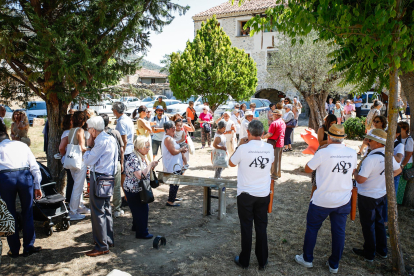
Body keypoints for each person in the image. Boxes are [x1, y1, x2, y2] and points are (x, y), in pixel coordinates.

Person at [295, 124, 356, 273]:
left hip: (322, 199)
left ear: (329, 137)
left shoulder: (324, 152)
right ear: (342, 139)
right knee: (339, 232)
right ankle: (334, 264)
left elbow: (308, 168)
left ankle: (307, 258)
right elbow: (352, 170)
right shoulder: (352, 152)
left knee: (312, 228)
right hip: (343, 199)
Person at [229, 120, 274, 270]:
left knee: (246, 227)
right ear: (262, 133)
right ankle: (262, 260)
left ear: (248, 132)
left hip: (246, 193)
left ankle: (245, 260)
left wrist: (240, 145)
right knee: (261, 227)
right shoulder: (269, 148)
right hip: (262, 193)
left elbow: (231, 163)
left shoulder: (243, 148)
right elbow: (271, 164)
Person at [352, 129, 402, 262]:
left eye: (370, 140)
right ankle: (382, 250)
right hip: (381, 194)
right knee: (379, 222)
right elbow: (398, 170)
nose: (367, 142)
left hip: (367, 195)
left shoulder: (372, 158)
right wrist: (384, 178)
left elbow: (361, 179)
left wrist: (355, 172)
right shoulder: (388, 156)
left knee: (368, 224)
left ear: (379, 143)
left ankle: (369, 253)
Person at [0, 123, 42, 258]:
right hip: (24, 176)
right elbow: (34, 166)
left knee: (9, 213)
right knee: (27, 211)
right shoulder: (21, 145)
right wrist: (37, 185)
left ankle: (14, 248)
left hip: (6, 178)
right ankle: (28, 246)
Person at [83, 116, 118, 257]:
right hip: (109, 176)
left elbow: (88, 160)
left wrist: (88, 147)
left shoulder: (100, 142)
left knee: (97, 211)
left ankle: (101, 245)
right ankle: (108, 240)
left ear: (92, 130)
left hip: (99, 177)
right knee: (106, 208)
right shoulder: (110, 138)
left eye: (88, 129)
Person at [124, 136, 159, 239]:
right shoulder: (134, 158)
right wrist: (150, 165)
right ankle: (142, 233)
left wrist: (151, 166)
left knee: (137, 210)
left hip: (135, 189)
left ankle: (136, 227)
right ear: (139, 147)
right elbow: (140, 175)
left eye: (149, 146)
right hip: (134, 190)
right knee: (142, 211)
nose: (149, 148)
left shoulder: (139, 155)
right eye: (146, 146)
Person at [100, 114, 125, 218]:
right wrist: (122, 163)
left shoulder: (99, 135)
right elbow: (122, 149)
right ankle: (117, 209)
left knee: (103, 186)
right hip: (116, 163)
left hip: (103, 165)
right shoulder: (115, 133)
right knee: (116, 187)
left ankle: (104, 208)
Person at [67, 111, 90, 221]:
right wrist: (90, 148)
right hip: (79, 161)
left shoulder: (71, 130)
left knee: (77, 187)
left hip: (72, 161)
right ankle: (73, 211)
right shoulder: (80, 130)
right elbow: (82, 147)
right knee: (77, 188)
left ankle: (79, 207)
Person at [162, 121, 188, 207]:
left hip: (175, 165)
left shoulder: (170, 138)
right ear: (167, 129)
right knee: (174, 183)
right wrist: (181, 149)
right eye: (172, 127)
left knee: (175, 183)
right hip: (172, 165)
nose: (174, 129)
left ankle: (173, 197)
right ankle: (170, 201)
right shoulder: (168, 139)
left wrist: (181, 150)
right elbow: (173, 152)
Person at [382, 125, 404, 226]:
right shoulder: (384, 143)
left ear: (397, 134)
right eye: (387, 131)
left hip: (394, 174)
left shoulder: (399, 145)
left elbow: (399, 159)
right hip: (383, 173)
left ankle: (386, 223)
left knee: (389, 200)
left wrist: (387, 152)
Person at [113, 102, 135, 192]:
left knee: (123, 174)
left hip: (125, 151)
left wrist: (122, 154)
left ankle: (126, 197)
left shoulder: (121, 121)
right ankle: (127, 196)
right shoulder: (127, 118)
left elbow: (124, 139)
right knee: (127, 174)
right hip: (129, 149)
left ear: (115, 111)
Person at [263, 109, 286, 180]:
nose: (271, 116)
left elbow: (270, 134)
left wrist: (263, 137)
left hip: (274, 143)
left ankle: (274, 175)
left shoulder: (274, 123)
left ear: (276, 115)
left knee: (274, 159)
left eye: (272, 114)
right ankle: (278, 173)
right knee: (278, 159)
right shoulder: (283, 122)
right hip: (280, 142)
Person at [58, 114, 75, 203]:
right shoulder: (68, 133)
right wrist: (63, 154)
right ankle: (69, 200)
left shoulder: (67, 132)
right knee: (71, 181)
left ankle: (69, 200)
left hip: (68, 158)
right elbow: (61, 147)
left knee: (71, 181)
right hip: (69, 159)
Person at [396, 121, 413, 204]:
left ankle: (398, 202)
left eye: (400, 127)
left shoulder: (409, 140)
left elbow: (408, 155)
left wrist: (402, 166)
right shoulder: (398, 138)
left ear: (405, 129)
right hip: (398, 163)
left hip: (405, 164)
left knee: (401, 185)